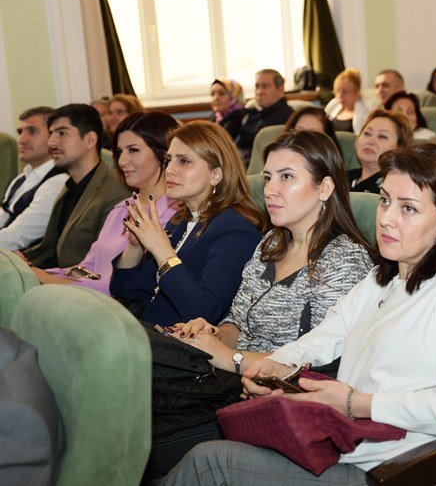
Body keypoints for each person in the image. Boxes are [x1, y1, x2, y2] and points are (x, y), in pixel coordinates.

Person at [162, 143, 436, 485]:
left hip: (400, 467)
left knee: (209, 462)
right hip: (344, 446)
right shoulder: (383, 279)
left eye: (408, 209)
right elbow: (325, 337)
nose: (387, 219)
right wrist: (273, 367)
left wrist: (355, 403)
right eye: (385, 201)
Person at [146, 131, 376, 477]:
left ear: (325, 188)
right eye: (268, 177)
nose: (270, 190)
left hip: (271, 402)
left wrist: (231, 357)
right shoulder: (271, 243)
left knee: (142, 437)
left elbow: (321, 363)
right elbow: (237, 322)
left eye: (287, 177)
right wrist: (213, 334)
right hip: (226, 380)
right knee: (136, 370)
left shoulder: (343, 261)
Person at [109, 121, 265, 326]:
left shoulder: (237, 230)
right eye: (169, 160)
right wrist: (135, 247)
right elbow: (125, 294)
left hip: (174, 343)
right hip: (143, 332)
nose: (169, 170)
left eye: (184, 161)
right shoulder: (181, 221)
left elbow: (203, 311)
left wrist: (162, 251)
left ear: (216, 175)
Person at [32, 112, 180, 294]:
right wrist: (36, 272)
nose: (122, 161)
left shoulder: (175, 215)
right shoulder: (121, 209)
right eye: (119, 151)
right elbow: (85, 269)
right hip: (89, 297)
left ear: (164, 153)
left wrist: (47, 280)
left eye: (133, 150)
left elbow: (132, 287)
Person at [21, 104, 128, 268]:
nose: (51, 142)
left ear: (90, 140)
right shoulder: (68, 187)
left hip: (80, 281)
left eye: (62, 133)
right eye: (51, 133)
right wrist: (20, 261)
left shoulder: (117, 190)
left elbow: (102, 266)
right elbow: (50, 251)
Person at [0, 107, 68, 250]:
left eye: (32, 131)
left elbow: (18, 237)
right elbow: (3, 217)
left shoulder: (58, 182)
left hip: (28, 261)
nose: (21, 140)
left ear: (53, 137)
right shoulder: (21, 179)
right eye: (20, 132)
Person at [348, 109, 413, 194]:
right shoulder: (341, 177)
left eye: (382, 136)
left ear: (399, 148)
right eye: (367, 133)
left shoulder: (394, 188)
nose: (371, 141)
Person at [237, 69, 294, 164]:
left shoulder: (288, 117)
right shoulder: (252, 112)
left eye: (265, 86)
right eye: (257, 86)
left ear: (280, 89)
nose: (259, 92)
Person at [324, 68, 370, 134]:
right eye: (337, 91)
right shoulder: (333, 104)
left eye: (345, 92)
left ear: (356, 93)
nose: (340, 95)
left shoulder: (365, 113)